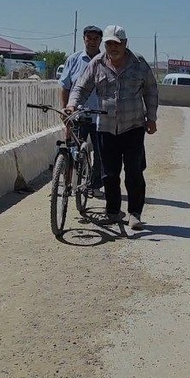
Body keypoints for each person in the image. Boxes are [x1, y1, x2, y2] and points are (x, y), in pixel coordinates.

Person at [66, 25, 158, 231]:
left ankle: (135, 213)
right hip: (106, 128)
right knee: (109, 174)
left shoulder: (139, 63)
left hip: (133, 126)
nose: (113, 47)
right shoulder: (97, 64)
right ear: (105, 44)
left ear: (125, 44)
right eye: (109, 43)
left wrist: (151, 117)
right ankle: (113, 212)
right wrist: (72, 103)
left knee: (134, 172)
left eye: (117, 43)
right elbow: (81, 86)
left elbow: (151, 90)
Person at [59, 25, 105, 195]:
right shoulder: (73, 59)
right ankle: (72, 184)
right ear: (84, 39)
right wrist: (65, 110)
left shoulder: (105, 60)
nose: (92, 42)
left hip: (101, 116)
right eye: (88, 38)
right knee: (74, 151)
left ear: (100, 41)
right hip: (78, 115)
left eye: (95, 39)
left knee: (100, 154)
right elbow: (65, 87)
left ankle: (95, 186)